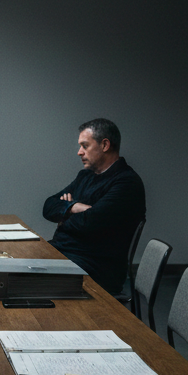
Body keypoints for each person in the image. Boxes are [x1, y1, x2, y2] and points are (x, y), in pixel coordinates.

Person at [43, 118, 146, 296]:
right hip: (64, 254)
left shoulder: (127, 182)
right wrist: (74, 207)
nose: (79, 152)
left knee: (19, 280)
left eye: (85, 146)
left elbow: (89, 222)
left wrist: (63, 217)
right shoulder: (85, 176)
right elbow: (48, 206)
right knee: (12, 264)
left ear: (105, 145)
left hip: (96, 268)